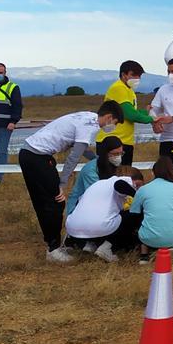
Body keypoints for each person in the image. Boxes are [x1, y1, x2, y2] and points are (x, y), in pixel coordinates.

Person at [18, 101, 124, 263]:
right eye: (114, 123)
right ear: (109, 117)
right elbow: (73, 157)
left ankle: (54, 245)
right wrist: (61, 183)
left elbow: (84, 150)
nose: (113, 127)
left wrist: (100, 160)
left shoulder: (89, 117)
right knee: (55, 202)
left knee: (48, 202)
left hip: (32, 154)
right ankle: (53, 249)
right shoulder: (90, 126)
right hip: (37, 156)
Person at [66, 167, 145, 262]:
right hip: (99, 227)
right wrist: (137, 196)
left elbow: (79, 202)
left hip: (73, 228)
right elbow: (119, 185)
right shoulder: (122, 180)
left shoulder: (98, 184)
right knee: (133, 214)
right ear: (132, 180)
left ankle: (89, 243)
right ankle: (107, 247)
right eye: (138, 185)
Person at [130, 157, 173, 262]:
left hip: (149, 238)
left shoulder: (144, 189)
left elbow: (134, 216)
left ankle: (144, 255)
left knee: (143, 223)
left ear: (153, 172)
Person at [97, 60, 153, 167]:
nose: (136, 78)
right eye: (133, 75)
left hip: (123, 140)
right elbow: (130, 115)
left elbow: (131, 112)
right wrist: (151, 119)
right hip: (113, 141)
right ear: (124, 74)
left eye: (138, 76)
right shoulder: (119, 88)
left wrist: (145, 112)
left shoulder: (129, 90)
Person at [65, 136, 124, 217]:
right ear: (105, 153)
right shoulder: (90, 170)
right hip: (80, 208)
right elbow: (97, 193)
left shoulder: (112, 165)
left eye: (121, 153)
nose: (119, 157)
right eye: (115, 154)